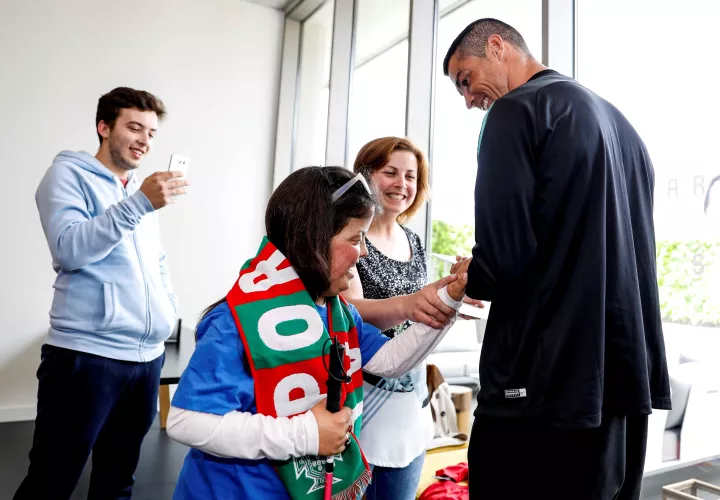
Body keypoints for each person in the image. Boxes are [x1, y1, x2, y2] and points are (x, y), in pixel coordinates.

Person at [442, 18, 671, 500]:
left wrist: (472, 273)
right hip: (621, 382)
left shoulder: (515, 112)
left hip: (542, 390)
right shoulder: (622, 128)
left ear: (498, 47)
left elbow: (505, 258)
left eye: (465, 80)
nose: (468, 100)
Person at [166, 166, 471, 500]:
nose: (364, 253)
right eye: (355, 239)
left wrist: (449, 299)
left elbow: (389, 360)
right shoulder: (236, 321)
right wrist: (305, 435)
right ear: (313, 239)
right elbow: (187, 420)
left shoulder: (337, 311)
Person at [15, 87, 189, 500]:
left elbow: (156, 261)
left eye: (151, 132)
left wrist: (167, 309)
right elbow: (69, 249)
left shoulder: (136, 192)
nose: (145, 140)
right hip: (86, 356)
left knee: (118, 481)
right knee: (52, 479)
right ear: (104, 127)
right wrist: (140, 204)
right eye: (134, 127)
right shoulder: (67, 176)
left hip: (145, 360)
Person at [343, 137, 481, 500]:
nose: (401, 184)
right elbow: (349, 312)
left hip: (412, 403)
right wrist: (414, 305)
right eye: (390, 173)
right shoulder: (351, 239)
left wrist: (451, 296)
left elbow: (418, 311)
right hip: (366, 402)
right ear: (365, 175)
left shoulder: (414, 241)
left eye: (410, 176)